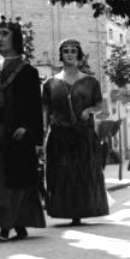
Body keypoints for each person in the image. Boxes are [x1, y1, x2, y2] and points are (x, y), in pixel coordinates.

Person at [0, 15, 46, 241]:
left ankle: (10, 225)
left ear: (16, 39)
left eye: (5, 34)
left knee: (16, 182)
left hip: (15, 135)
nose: (0, 38)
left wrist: (27, 128)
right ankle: (11, 223)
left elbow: (34, 107)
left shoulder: (27, 72)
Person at [42, 38, 108, 226]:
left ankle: (81, 211)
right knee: (61, 173)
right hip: (59, 136)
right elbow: (45, 112)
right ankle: (65, 210)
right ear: (61, 55)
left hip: (83, 136)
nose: (69, 54)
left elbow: (100, 106)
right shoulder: (50, 84)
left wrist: (89, 111)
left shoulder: (90, 82)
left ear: (78, 55)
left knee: (82, 172)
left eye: (73, 51)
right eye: (66, 51)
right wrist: (43, 136)